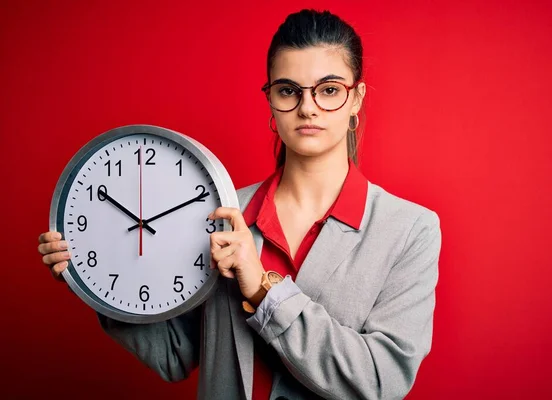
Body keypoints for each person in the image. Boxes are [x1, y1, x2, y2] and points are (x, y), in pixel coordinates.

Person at [37, 9, 442, 400]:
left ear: (357, 99)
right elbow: (174, 355)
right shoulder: (217, 211)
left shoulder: (409, 230)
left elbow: (381, 380)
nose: (307, 107)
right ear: (270, 100)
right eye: (288, 90)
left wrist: (266, 291)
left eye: (329, 90)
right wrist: (92, 281)